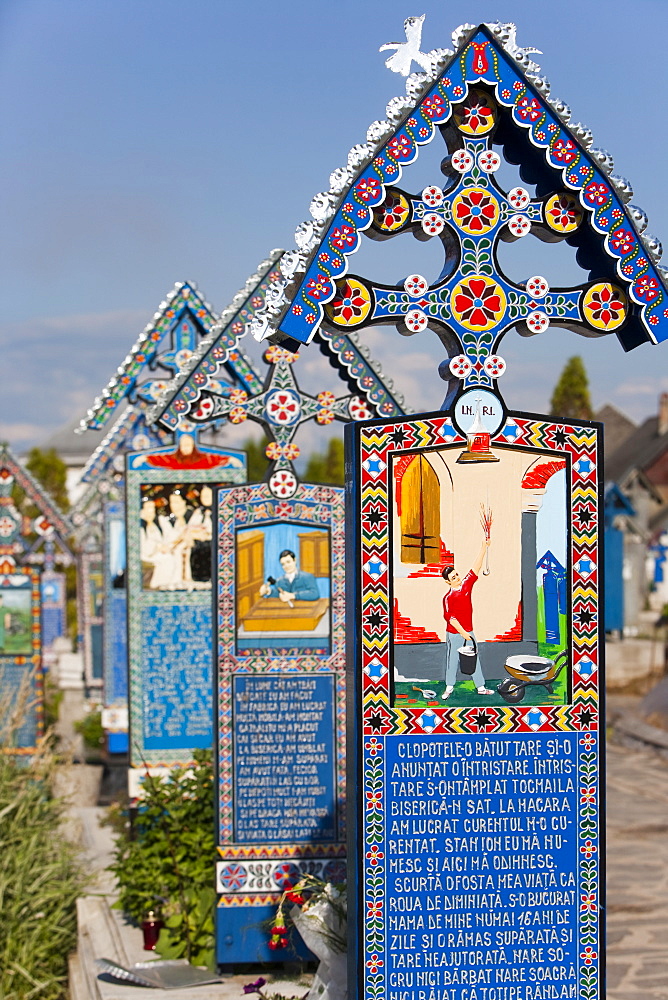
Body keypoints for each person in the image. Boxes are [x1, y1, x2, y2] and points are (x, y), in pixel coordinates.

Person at [441, 534, 494, 699]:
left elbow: (476, 567)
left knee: (474, 658)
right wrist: (463, 633)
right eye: (453, 578)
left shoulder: (465, 586)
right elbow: (451, 618)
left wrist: (484, 547)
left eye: (456, 575)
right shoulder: (448, 598)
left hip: (469, 631)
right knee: (453, 659)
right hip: (455, 633)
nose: (456, 578)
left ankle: (481, 687)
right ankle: (449, 687)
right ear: (448, 582)